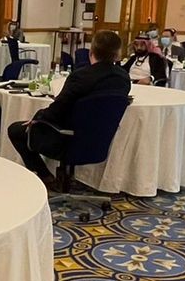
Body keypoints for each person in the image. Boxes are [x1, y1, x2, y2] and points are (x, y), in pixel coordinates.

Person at [7, 30, 130, 182]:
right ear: (117, 54)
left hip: (68, 138)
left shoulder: (81, 76)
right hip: (101, 140)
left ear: (91, 51)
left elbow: (59, 108)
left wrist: (38, 118)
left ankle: (45, 176)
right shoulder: (123, 78)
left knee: (16, 130)